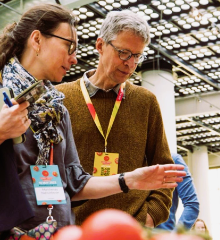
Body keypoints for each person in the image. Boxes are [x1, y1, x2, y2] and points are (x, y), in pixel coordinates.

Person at [0, 4, 185, 240]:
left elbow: (74, 184)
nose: (74, 58)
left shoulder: (56, 109)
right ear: (37, 40)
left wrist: (129, 180)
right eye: (69, 46)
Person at [56, 10, 173, 228]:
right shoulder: (60, 98)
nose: (130, 64)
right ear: (100, 45)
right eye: (124, 53)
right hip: (73, 231)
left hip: (132, 230)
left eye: (137, 56)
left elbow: (164, 168)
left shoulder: (145, 102)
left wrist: (149, 216)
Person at [156, 153, 199, 231]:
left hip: (163, 237)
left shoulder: (173, 160)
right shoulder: (131, 164)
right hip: (132, 237)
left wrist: (176, 235)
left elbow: (192, 204)